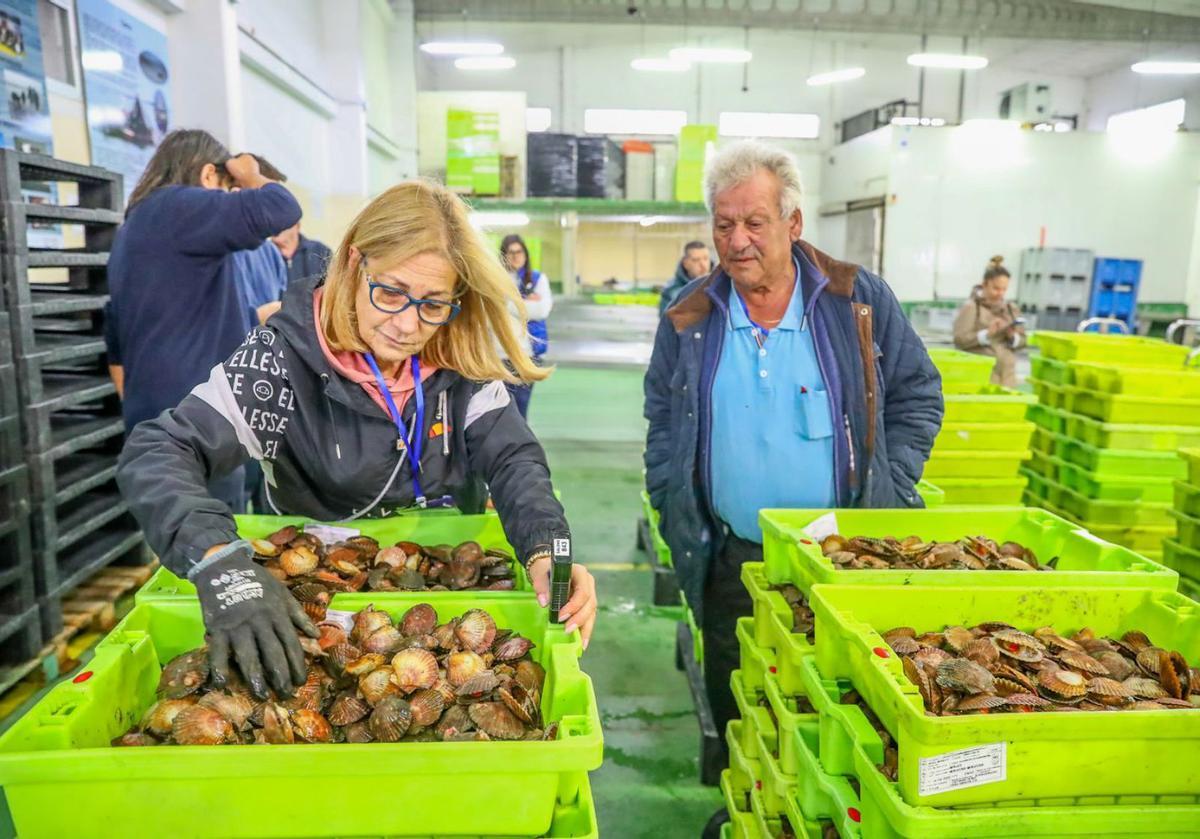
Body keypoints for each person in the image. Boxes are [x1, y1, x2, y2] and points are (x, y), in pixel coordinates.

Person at [117, 180, 598, 700]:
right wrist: (220, 565)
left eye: (433, 304)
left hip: (441, 583)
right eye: (390, 293)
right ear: (352, 263)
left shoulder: (458, 353)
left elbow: (513, 460)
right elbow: (159, 451)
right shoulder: (282, 361)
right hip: (316, 587)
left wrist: (548, 548)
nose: (407, 325)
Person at [643, 141, 942, 824]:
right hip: (733, 560)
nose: (738, 241)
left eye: (754, 222)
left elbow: (919, 392)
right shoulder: (690, 317)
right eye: (724, 225)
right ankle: (749, 806)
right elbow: (661, 419)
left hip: (843, 564)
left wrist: (888, 484)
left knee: (843, 707)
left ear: (794, 222)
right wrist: (669, 497)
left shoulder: (854, 299)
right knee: (740, 699)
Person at [106, 129, 301, 514]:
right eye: (228, 189)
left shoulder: (135, 228)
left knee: (183, 537)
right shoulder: (181, 207)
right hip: (197, 421)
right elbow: (281, 208)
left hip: (157, 418)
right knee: (212, 543)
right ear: (209, 175)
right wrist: (249, 174)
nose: (230, 200)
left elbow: (131, 334)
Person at [500, 234, 553, 417]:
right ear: (503, 255)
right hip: (500, 354)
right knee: (499, 409)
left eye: (519, 251)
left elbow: (541, 310)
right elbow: (492, 309)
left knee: (521, 409)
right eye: (510, 252)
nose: (515, 256)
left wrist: (508, 302)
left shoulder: (538, 279)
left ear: (526, 254)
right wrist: (524, 301)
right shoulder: (497, 280)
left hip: (528, 354)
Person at [952, 256, 1026, 387]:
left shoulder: (1011, 309)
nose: (1000, 293)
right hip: (981, 380)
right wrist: (986, 335)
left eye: (1004, 289)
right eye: (996, 288)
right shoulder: (971, 308)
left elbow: (1023, 341)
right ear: (984, 284)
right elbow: (959, 340)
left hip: (1007, 380)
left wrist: (1012, 336)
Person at [658, 240, 712, 316]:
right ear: (686, 263)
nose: (703, 265)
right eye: (696, 260)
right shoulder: (671, 292)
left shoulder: (721, 286)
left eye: (706, 259)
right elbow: (666, 324)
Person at [272, 222, 333, 286]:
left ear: (297, 225)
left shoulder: (320, 251)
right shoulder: (263, 256)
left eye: (281, 220)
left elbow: (334, 287)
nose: (274, 225)